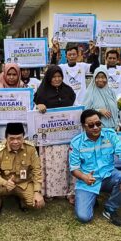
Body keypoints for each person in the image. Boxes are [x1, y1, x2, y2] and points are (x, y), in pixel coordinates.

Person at [69, 109, 121, 226]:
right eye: (91, 125)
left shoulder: (110, 135)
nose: (95, 128)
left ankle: (110, 209)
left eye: (98, 124)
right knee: (83, 217)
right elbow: (74, 168)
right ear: (83, 126)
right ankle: (91, 199)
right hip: (88, 181)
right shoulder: (76, 142)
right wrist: (83, 177)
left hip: (108, 176)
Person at [33, 65, 77, 200]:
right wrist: (38, 106)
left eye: (59, 76)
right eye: (54, 77)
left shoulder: (68, 91)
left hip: (65, 135)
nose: (57, 79)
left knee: (65, 162)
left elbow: (73, 108)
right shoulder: (42, 93)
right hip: (49, 138)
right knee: (50, 164)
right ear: (48, 78)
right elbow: (35, 109)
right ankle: (50, 192)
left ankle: (66, 191)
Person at [0, 122, 44, 215]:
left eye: (19, 138)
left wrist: (37, 191)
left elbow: (37, 170)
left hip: (23, 184)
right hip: (5, 184)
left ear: (23, 137)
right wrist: (4, 183)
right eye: (11, 138)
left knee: (36, 204)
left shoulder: (31, 149)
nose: (15, 142)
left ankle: (21, 199)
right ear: (6, 137)